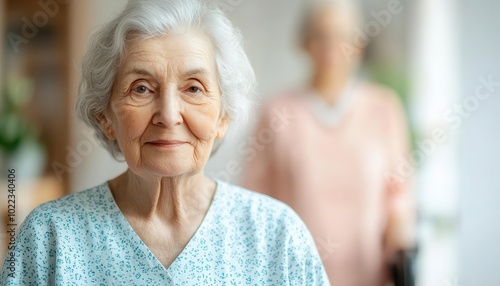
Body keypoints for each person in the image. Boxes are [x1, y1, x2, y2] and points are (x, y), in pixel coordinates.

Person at [0, 0, 330, 284]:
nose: (169, 115)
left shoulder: (278, 235)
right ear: (106, 117)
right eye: (141, 88)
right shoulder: (48, 238)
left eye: (194, 88)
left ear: (223, 117)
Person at [243, 1, 415, 285]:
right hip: (294, 274)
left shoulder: (383, 109)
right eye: (320, 36)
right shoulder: (277, 112)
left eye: (342, 37)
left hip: (369, 273)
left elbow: (400, 192)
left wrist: (400, 231)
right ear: (303, 43)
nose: (331, 47)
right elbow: (255, 197)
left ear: (359, 45)